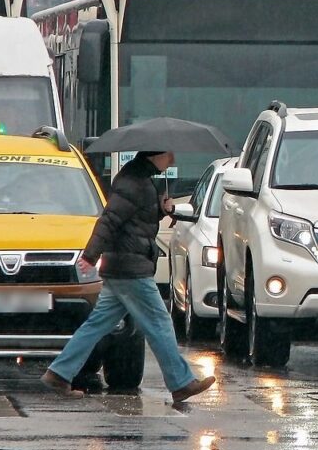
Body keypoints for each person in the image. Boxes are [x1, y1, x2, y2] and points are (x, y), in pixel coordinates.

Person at [41, 151, 216, 402]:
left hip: (123, 265)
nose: (173, 161)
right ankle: (181, 383)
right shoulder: (134, 183)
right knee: (160, 323)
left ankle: (58, 374)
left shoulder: (139, 180)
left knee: (97, 325)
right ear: (156, 155)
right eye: (169, 156)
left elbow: (134, 220)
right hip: (130, 267)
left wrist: (162, 210)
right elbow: (109, 220)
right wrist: (90, 255)